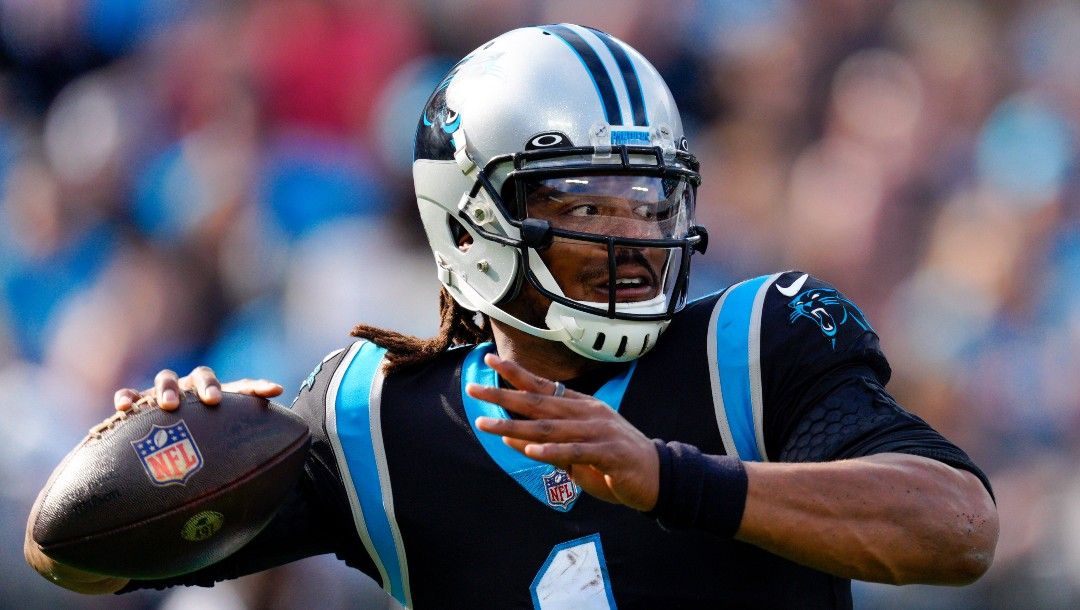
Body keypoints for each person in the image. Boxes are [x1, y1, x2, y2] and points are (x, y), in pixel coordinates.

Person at [26, 24, 997, 608]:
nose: (633, 240)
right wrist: (166, 441)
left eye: (648, 204)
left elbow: (959, 527)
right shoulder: (373, 420)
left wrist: (673, 480)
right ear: (472, 220)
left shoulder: (757, 343)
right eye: (587, 208)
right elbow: (76, 557)